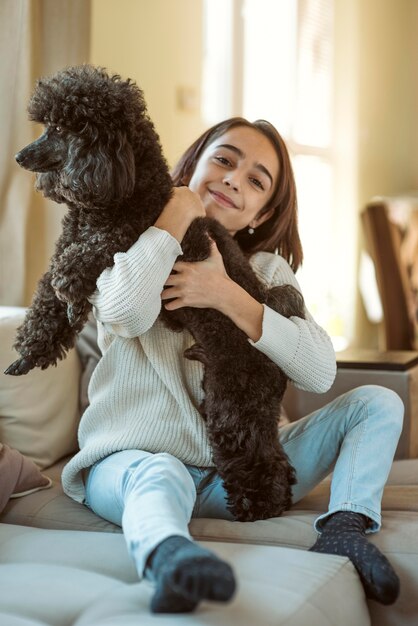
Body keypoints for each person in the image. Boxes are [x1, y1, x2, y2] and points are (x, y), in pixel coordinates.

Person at [61, 117, 404, 613]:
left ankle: (344, 529)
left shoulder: (267, 272)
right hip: (130, 467)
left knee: (377, 402)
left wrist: (225, 295)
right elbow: (125, 312)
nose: (232, 179)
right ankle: (170, 558)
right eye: (223, 160)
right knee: (162, 473)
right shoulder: (126, 243)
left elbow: (318, 371)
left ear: (260, 216)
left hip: (235, 482)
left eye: (256, 180)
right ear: (192, 166)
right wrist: (174, 217)